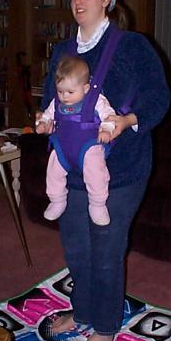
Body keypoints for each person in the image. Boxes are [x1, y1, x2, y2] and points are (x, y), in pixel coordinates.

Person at [37, 0, 170, 341]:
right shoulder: (63, 50)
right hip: (72, 167)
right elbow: (50, 97)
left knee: (106, 250)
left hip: (122, 169)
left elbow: (159, 98)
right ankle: (82, 311)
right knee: (76, 249)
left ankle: (107, 324)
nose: (77, 1)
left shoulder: (133, 46)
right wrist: (45, 119)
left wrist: (127, 121)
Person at [36, 55, 116, 226]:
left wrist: (106, 129)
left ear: (86, 88)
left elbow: (109, 116)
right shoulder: (56, 102)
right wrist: (42, 123)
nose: (64, 96)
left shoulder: (96, 100)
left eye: (70, 92)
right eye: (60, 91)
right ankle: (57, 200)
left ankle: (97, 204)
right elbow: (47, 115)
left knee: (96, 172)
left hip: (88, 146)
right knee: (53, 168)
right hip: (64, 146)